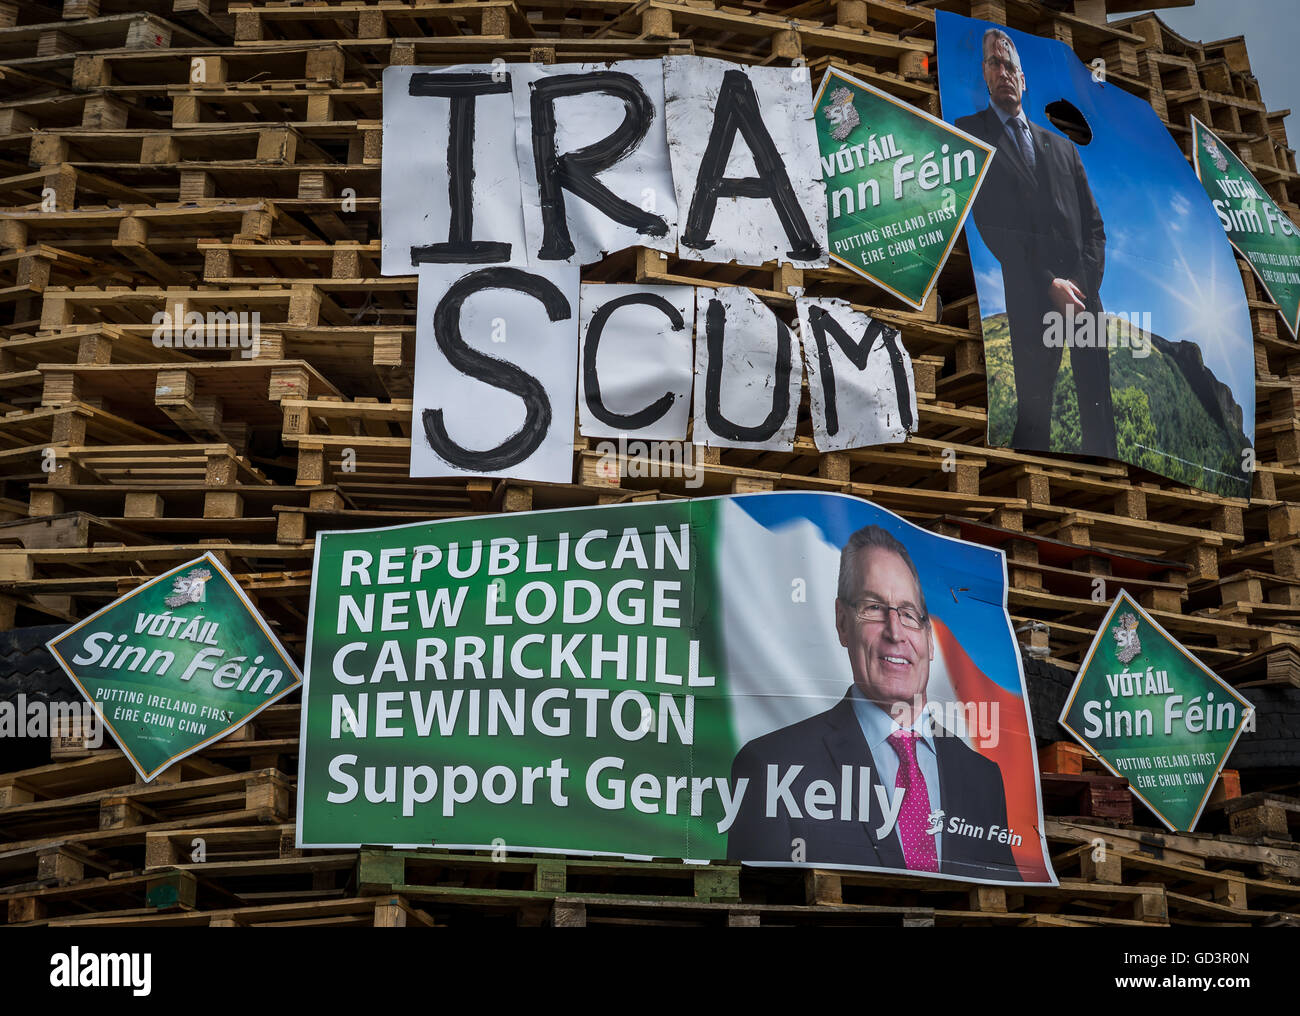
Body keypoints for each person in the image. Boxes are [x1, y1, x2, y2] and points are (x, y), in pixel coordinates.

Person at [726, 525, 1021, 882]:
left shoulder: (983, 778)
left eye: (909, 614)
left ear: (929, 640)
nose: (894, 632)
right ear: (842, 622)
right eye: (873, 607)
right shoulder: (770, 764)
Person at [955, 27, 1117, 460]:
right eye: (995, 64)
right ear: (985, 74)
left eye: (1011, 66)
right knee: (1034, 410)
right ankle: (1037, 492)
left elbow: (1095, 228)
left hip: (1084, 299)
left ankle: (1101, 482)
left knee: (1098, 404)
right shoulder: (970, 134)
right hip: (1030, 297)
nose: (1004, 72)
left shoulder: (1063, 148)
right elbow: (991, 224)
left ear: (1023, 80)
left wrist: (1079, 286)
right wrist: (1049, 285)